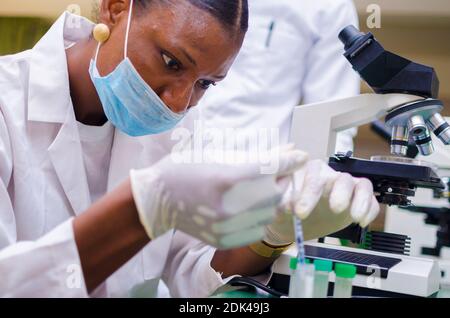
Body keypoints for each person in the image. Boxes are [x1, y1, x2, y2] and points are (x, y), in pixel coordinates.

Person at [0, 0, 379, 298]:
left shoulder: (178, 131)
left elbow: (194, 270)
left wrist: (270, 235)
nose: (178, 102)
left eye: (205, 84)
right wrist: (142, 208)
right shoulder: (6, 106)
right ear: (116, 8)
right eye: (171, 62)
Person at [199, 0, 360, 151]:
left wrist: (328, 175)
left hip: (258, 167)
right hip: (177, 156)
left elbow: (331, 118)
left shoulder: (329, 6)